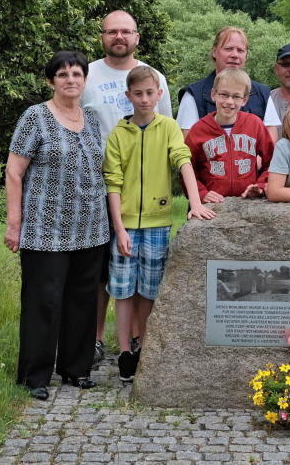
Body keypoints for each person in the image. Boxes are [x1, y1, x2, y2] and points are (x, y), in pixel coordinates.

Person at [5, 51, 110, 400]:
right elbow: (14, 172)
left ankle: (75, 369)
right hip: (45, 229)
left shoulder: (92, 119)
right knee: (43, 302)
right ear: (51, 81)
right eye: (63, 74)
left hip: (91, 228)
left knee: (82, 301)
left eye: (77, 74)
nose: (71, 79)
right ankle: (34, 377)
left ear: (84, 80)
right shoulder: (35, 117)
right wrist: (13, 222)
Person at [104, 65, 215, 383]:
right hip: (125, 224)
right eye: (137, 94)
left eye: (149, 93)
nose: (143, 99)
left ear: (159, 94)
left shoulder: (168, 127)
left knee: (150, 289)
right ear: (128, 96)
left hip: (157, 223)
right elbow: (113, 182)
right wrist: (120, 228)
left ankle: (144, 347)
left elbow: (183, 161)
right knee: (124, 290)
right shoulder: (117, 134)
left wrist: (195, 202)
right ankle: (124, 351)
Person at [81, 10, 173, 366]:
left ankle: (135, 341)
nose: (119, 37)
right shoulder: (87, 73)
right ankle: (95, 340)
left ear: (137, 37)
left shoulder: (153, 77)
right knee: (99, 270)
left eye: (126, 31)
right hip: (93, 185)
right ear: (102, 36)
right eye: (112, 31)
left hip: (138, 194)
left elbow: (164, 131)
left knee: (134, 268)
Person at [185, 68, 275, 203]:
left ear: (245, 100)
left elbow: (274, 160)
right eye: (224, 95)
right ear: (213, 94)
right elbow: (186, 168)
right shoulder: (198, 130)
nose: (229, 102)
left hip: (249, 202)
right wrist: (201, 193)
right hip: (212, 205)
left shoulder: (254, 124)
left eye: (236, 97)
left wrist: (261, 185)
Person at [177, 26, 280, 142]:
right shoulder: (193, 94)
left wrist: (257, 160)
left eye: (240, 50)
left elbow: (271, 137)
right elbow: (187, 141)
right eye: (228, 49)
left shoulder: (263, 93)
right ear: (215, 52)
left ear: (246, 55)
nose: (235, 55)